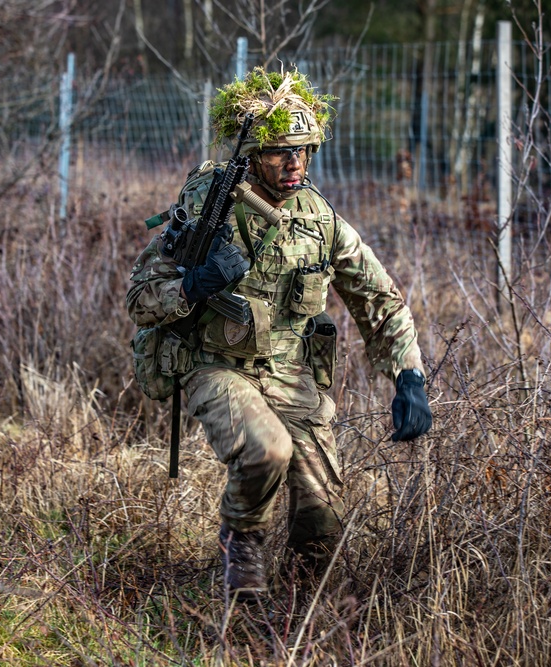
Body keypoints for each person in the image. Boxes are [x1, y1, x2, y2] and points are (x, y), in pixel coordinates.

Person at [126, 67, 432, 599]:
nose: (294, 164)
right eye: (279, 153)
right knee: (266, 450)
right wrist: (193, 285)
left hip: (291, 371)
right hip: (215, 364)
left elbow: (378, 296)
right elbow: (140, 299)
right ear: (253, 155)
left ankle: (297, 619)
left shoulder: (320, 221)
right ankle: (241, 550)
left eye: (304, 150)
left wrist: (408, 374)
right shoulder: (208, 209)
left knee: (323, 518)